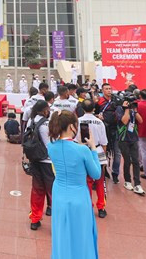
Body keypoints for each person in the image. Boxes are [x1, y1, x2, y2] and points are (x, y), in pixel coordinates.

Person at [47, 109, 102, 259]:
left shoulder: (51, 147)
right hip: (79, 196)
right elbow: (96, 174)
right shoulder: (82, 150)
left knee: (61, 234)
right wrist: (93, 149)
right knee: (81, 236)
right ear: (72, 126)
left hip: (59, 194)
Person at [78, 100, 109, 218]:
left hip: (83, 152)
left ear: (82, 108)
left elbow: (75, 140)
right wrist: (103, 157)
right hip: (98, 150)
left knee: (87, 182)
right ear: (94, 109)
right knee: (100, 181)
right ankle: (101, 207)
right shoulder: (99, 122)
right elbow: (104, 142)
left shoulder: (77, 121)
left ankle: (88, 207)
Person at [28, 99, 54, 230]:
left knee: (37, 190)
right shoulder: (48, 123)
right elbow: (51, 143)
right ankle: (57, 221)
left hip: (35, 159)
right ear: (45, 110)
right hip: (48, 161)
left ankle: (35, 218)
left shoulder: (31, 121)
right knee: (53, 191)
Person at [115, 93, 145, 195]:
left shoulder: (133, 110)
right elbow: (124, 121)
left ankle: (137, 183)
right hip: (123, 139)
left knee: (136, 161)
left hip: (134, 138)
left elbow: (141, 120)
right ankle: (127, 181)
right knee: (127, 160)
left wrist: (134, 110)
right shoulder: (119, 109)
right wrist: (127, 109)